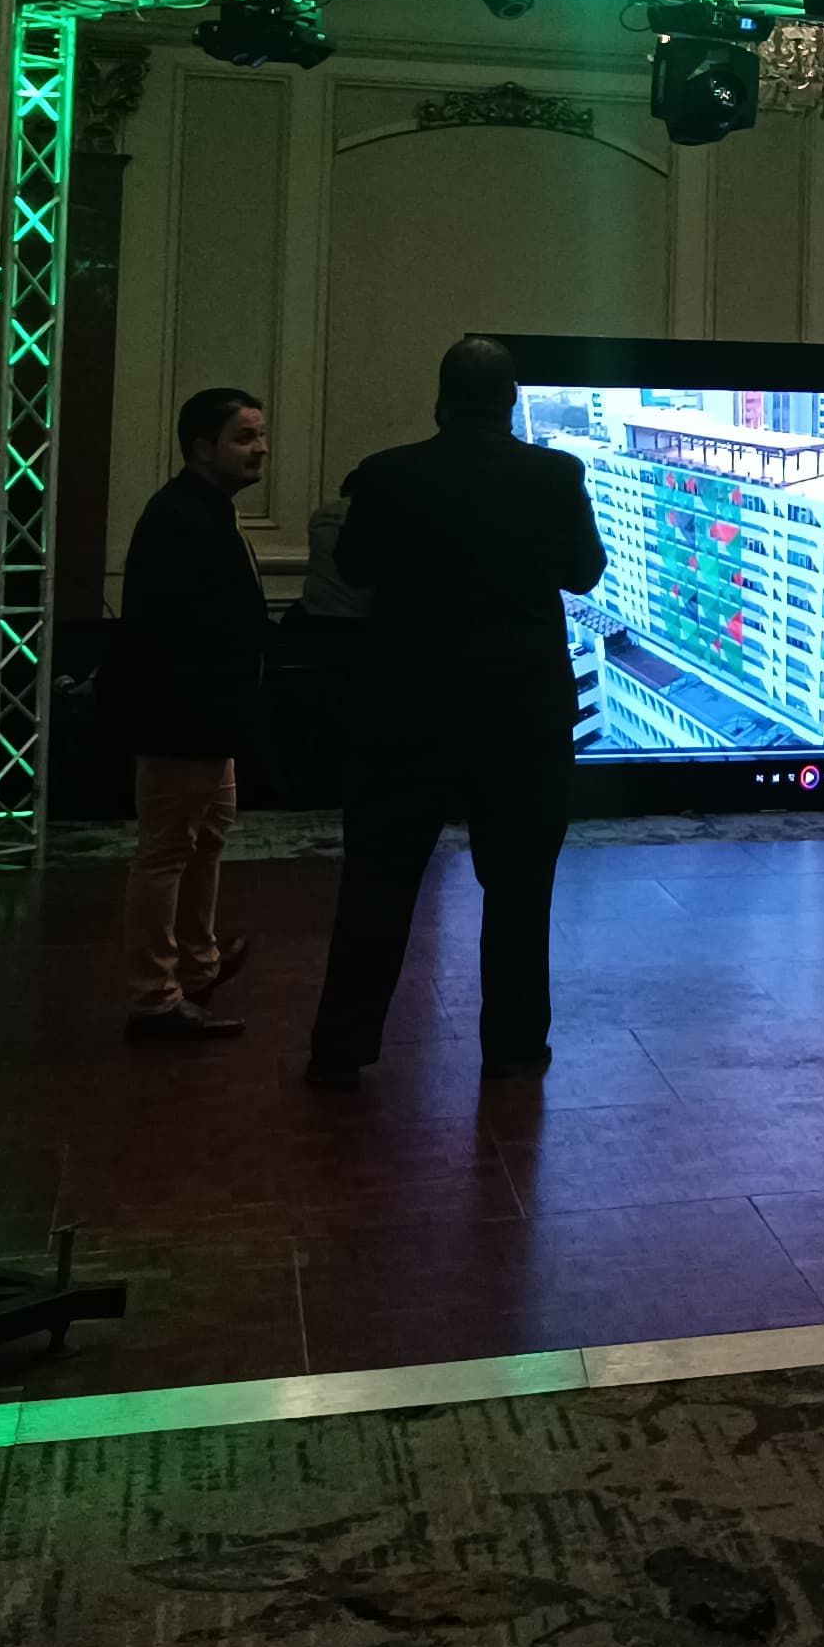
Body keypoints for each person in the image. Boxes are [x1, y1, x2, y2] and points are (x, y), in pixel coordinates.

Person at [306, 337, 604, 1090]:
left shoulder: (387, 473)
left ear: (439, 401)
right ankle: (513, 1047)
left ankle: (342, 1049)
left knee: (377, 885)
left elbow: (354, 567)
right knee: (519, 889)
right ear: (510, 402)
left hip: (404, 713)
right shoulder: (556, 475)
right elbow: (585, 573)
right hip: (522, 719)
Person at [115, 384, 273, 1042]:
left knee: (202, 841)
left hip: (206, 720)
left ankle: (196, 964)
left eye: (260, 435)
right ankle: (155, 997)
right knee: (167, 853)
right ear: (203, 448)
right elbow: (172, 634)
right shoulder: (180, 519)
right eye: (245, 438)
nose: (260, 449)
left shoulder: (199, 510)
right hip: (186, 722)